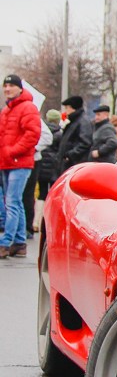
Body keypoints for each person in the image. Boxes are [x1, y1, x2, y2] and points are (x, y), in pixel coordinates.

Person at [0, 75, 42, 259]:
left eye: (11, 86)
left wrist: (11, 151)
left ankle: (5, 242)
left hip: (19, 162)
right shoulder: (6, 110)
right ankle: (19, 242)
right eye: (5, 85)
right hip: (7, 162)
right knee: (15, 202)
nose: (7, 89)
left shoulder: (28, 107)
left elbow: (33, 134)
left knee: (12, 202)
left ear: (19, 88)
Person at [22, 113, 53, 240]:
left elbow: (47, 137)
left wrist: (32, 149)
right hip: (12, 160)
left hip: (31, 160)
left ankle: (27, 227)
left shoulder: (31, 115)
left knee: (27, 195)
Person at [58, 95, 93, 172]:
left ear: (73, 108)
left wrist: (70, 155)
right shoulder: (74, 121)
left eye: (67, 108)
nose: (65, 111)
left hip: (75, 164)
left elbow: (85, 143)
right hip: (70, 163)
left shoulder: (82, 122)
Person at [36, 111, 62, 203]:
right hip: (53, 166)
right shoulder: (60, 134)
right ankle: (50, 212)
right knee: (53, 191)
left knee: (41, 192)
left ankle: (39, 215)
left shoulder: (40, 129)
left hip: (41, 165)